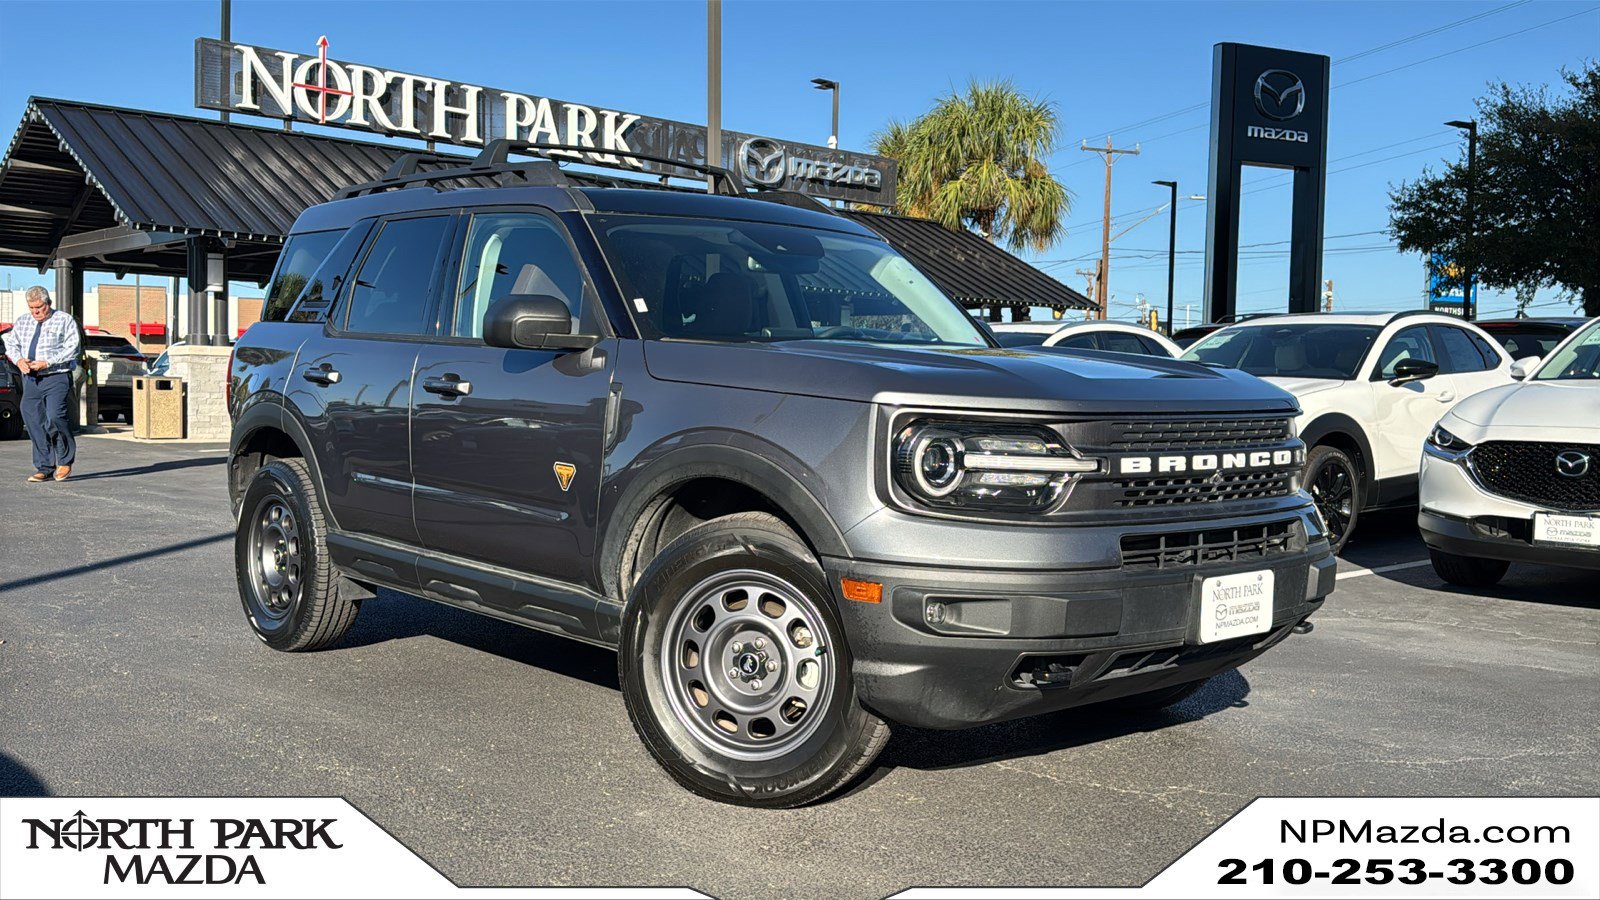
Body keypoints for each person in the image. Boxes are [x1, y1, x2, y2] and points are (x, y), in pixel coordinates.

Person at [2, 286, 81, 482]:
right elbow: (11, 344)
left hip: (56, 376)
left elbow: (73, 348)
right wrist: (19, 360)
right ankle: (44, 466)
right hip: (30, 378)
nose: (35, 312)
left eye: (39, 307)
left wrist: (47, 363)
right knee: (32, 419)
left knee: (54, 416)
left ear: (48, 304)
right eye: (32, 308)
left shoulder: (64, 320)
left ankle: (64, 460)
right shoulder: (23, 321)